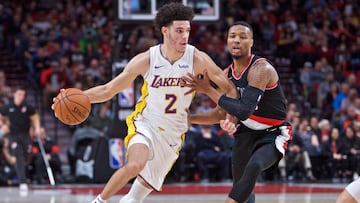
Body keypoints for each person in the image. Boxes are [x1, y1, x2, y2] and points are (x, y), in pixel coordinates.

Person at [52, 3, 237, 203]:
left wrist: (229, 118)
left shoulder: (198, 59)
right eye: (179, 31)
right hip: (146, 123)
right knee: (134, 165)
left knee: (134, 199)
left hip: (174, 133)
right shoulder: (147, 59)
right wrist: (79, 96)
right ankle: (99, 201)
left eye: (188, 31)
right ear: (165, 31)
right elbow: (108, 90)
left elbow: (230, 89)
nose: (185, 36)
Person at [183, 21, 292, 203]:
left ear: (251, 42)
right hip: (245, 135)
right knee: (242, 188)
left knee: (255, 166)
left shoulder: (261, 69)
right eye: (232, 36)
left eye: (243, 37)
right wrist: (190, 119)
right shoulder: (227, 75)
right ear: (227, 41)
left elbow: (244, 111)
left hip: (272, 133)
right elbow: (219, 113)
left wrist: (209, 90)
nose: (237, 40)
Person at [0, 86, 41, 191]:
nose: (21, 97)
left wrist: (37, 128)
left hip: (25, 135)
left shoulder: (27, 107)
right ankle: (22, 181)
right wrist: (3, 125)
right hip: (13, 135)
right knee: (18, 156)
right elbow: (1, 116)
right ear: (14, 94)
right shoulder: (8, 106)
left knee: (26, 158)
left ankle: (18, 177)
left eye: (23, 95)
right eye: (19, 94)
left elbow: (35, 117)